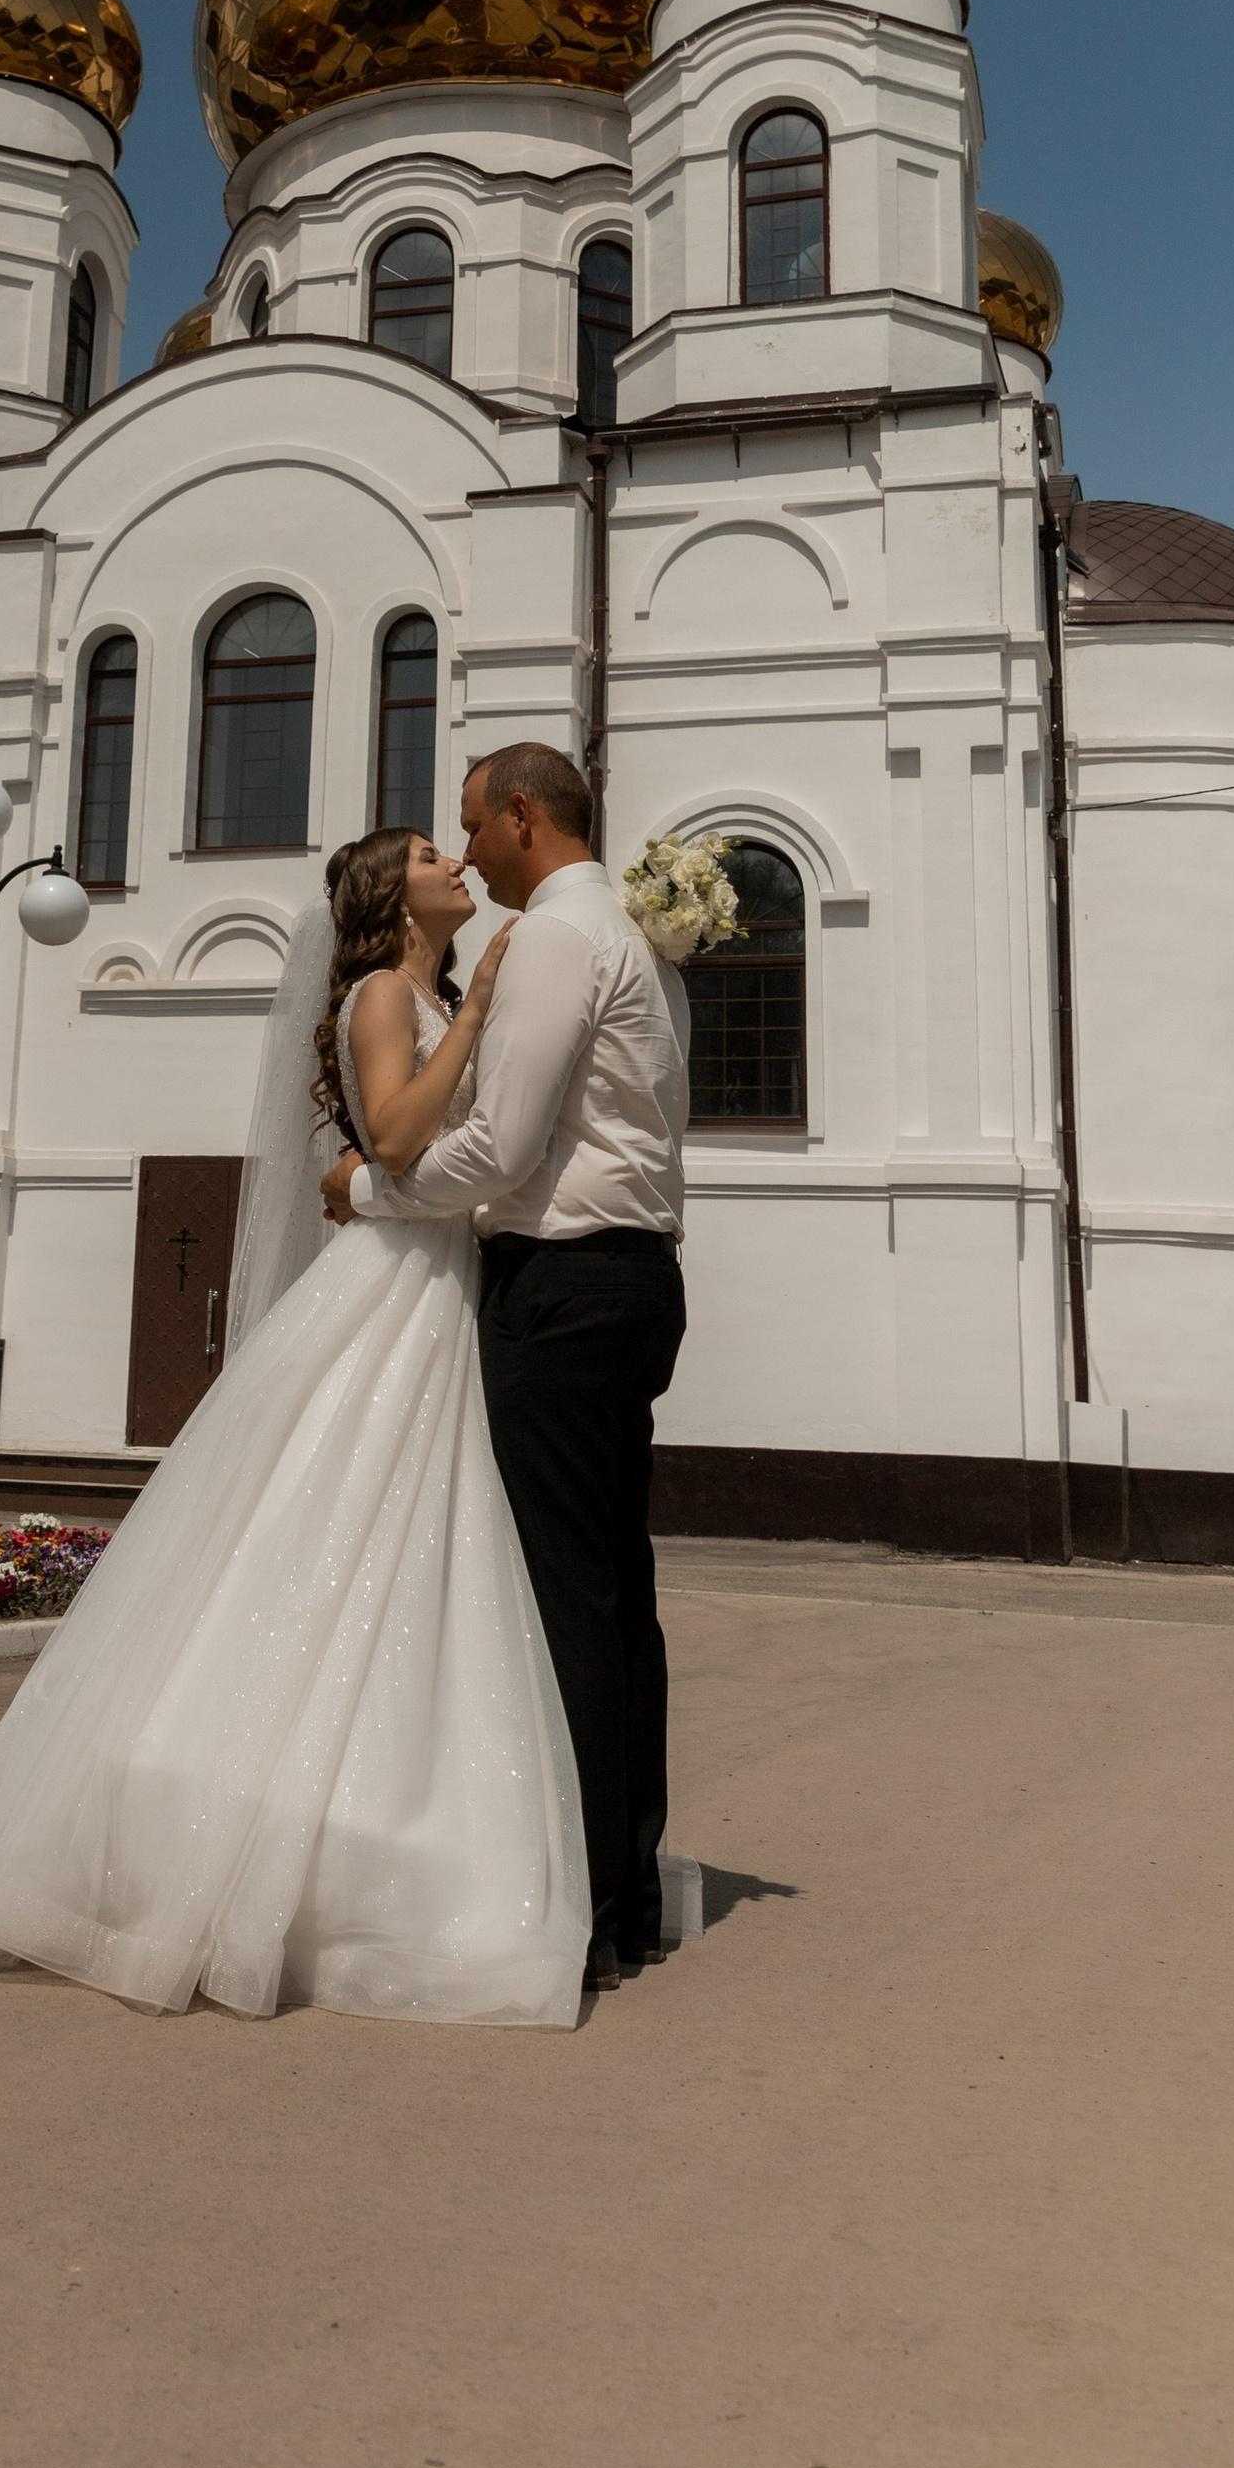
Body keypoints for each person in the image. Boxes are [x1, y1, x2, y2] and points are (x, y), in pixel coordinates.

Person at [0, 825, 592, 2027]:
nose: (455, 863)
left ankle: (380, 1817)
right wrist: (481, 1014)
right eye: (428, 856)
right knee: (327, 1524)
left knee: (412, 1543)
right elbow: (394, 1141)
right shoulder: (384, 994)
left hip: (442, 1279)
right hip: (393, 1284)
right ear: (392, 897)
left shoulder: (428, 995)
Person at [322, 742, 690, 1990]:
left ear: (521, 817)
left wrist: (364, 1191)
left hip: (565, 1287)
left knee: (565, 1602)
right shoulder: (627, 937)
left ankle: (582, 1902)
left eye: (471, 824)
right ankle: (624, 1888)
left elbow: (500, 1146)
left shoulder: (552, 941)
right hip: (630, 1279)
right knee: (612, 1595)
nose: (466, 849)